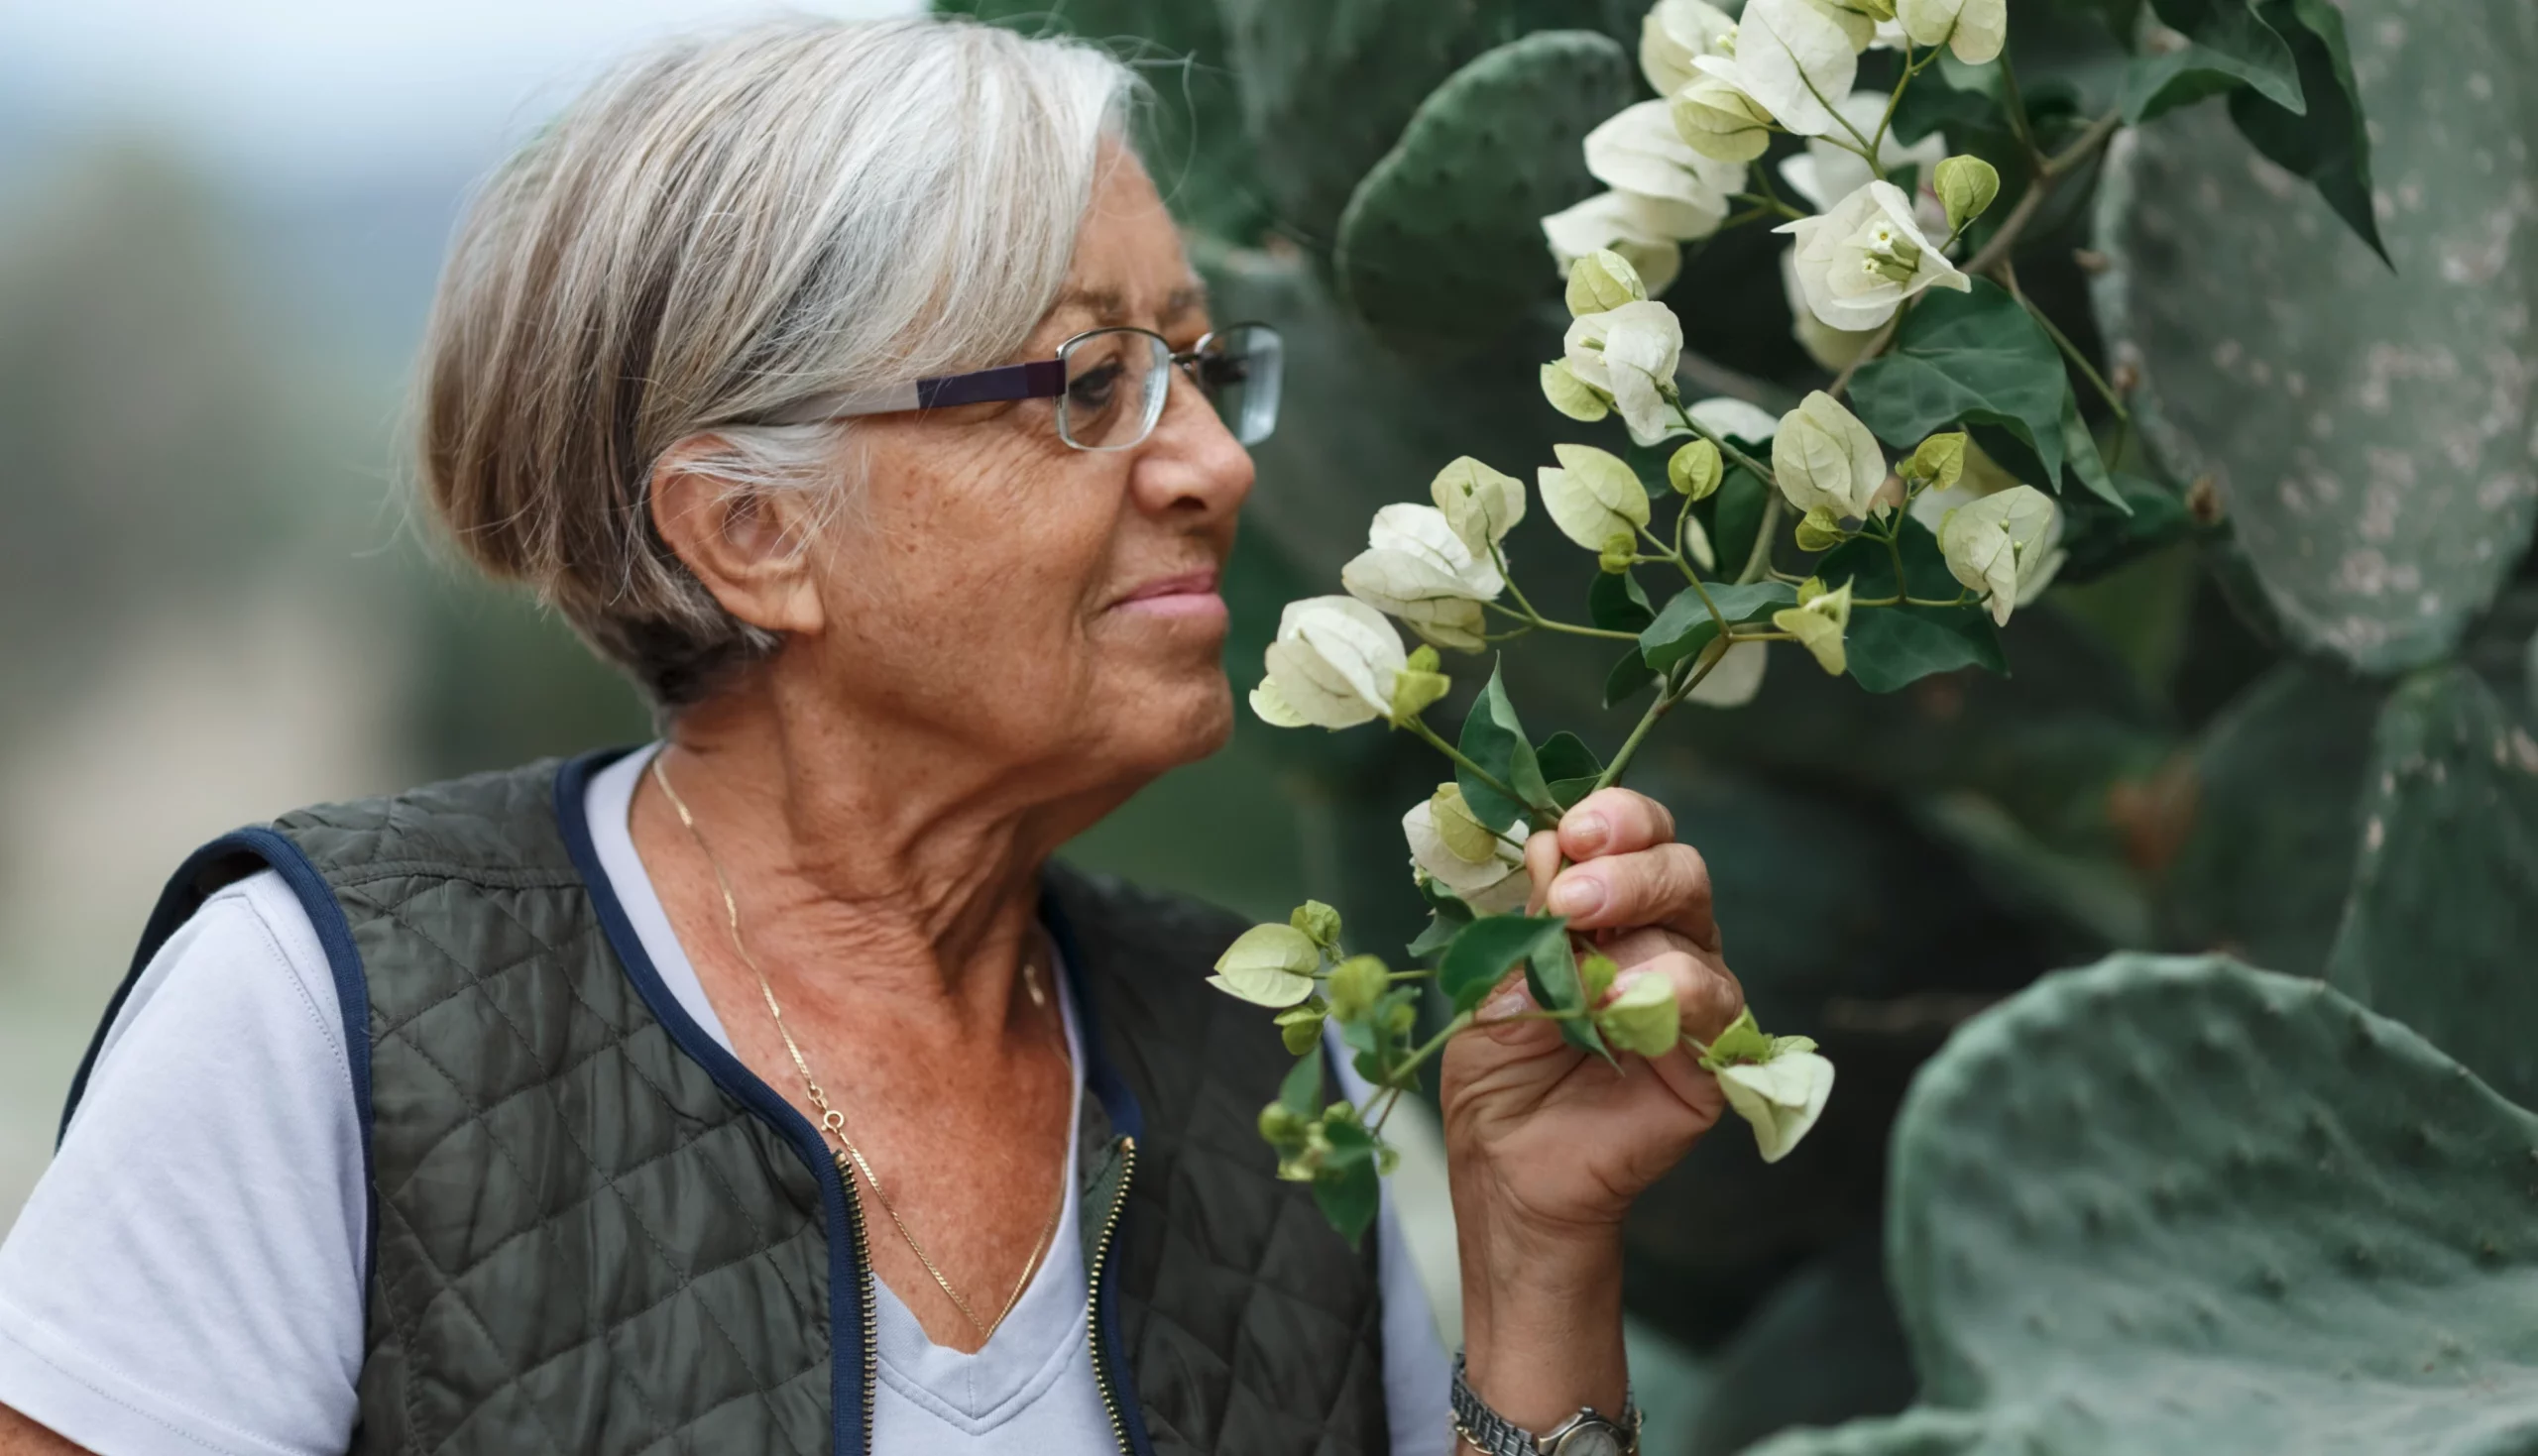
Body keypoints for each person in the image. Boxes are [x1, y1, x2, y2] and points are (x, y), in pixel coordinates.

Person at [0, 18, 1744, 1456]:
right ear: (753, 533)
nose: (1216, 463)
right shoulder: (321, 1012)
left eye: (1205, 366)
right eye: (1085, 385)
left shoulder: (1275, 1065)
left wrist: (1537, 1253)